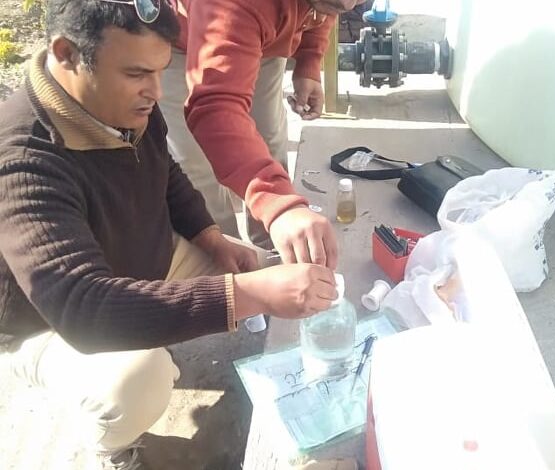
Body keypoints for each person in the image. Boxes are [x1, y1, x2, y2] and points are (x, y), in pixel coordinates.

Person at [0, 0, 336, 468]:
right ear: (66, 53)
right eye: (137, 74)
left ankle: (161, 320)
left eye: (160, 72)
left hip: (136, 259)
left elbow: (168, 174)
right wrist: (245, 295)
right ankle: (111, 442)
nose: (156, 92)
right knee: (140, 379)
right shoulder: (22, 161)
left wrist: (212, 239)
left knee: (265, 270)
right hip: (47, 321)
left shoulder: (119, 97)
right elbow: (84, 307)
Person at [160, 0, 366, 260]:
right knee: (197, 167)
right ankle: (226, 260)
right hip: (184, 43)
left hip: (267, 31)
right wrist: (278, 204)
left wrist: (309, 61)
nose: (350, 4)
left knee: (268, 143)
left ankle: (275, 249)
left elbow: (325, 8)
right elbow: (215, 108)